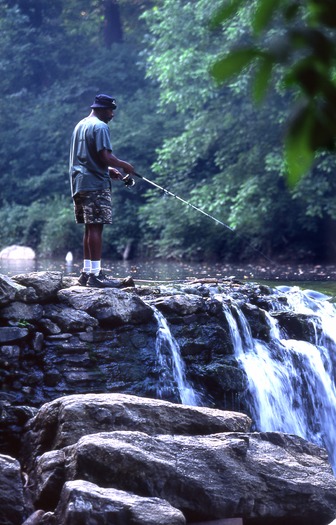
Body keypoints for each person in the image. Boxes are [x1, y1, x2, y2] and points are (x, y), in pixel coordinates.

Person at [69, 93, 135, 288]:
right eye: (110, 110)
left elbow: (86, 157)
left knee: (90, 227)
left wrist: (108, 170)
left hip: (79, 183)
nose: (112, 114)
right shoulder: (100, 126)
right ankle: (96, 276)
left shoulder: (80, 125)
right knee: (96, 226)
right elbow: (105, 156)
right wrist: (124, 165)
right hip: (95, 184)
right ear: (100, 109)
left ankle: (86, 273)